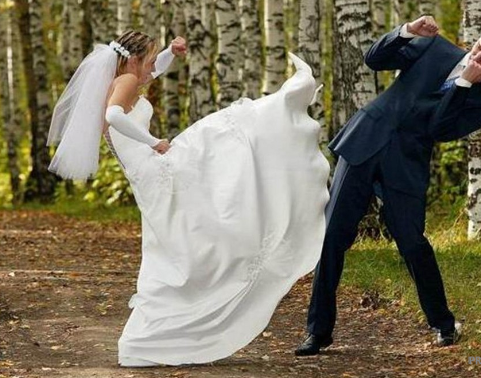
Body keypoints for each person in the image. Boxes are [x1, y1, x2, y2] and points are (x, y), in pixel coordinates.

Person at [47, 31, 330, 366]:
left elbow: (153, 73)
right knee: (223, 139)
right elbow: (114, 116)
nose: (152, 66)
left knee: (178, 239)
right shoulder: (125, 80)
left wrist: (170, 52)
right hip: (154, 167)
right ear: (133, 60)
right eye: (149, 59)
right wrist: (153, 142)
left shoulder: (122, 77)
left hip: (147, 173)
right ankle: (279, 127)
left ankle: (149, 338)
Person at [295, 16, 481, 356]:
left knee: (413, 244)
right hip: (366, 139)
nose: (478, 57)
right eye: (479, 47)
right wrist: (407, 32)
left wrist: (463, 84)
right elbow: (374, 60)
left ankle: (443, 324)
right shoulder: (434, 47)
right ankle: (317, 331)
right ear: (477, 38)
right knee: (332, 236)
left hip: (406, 163)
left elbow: (438, 129)